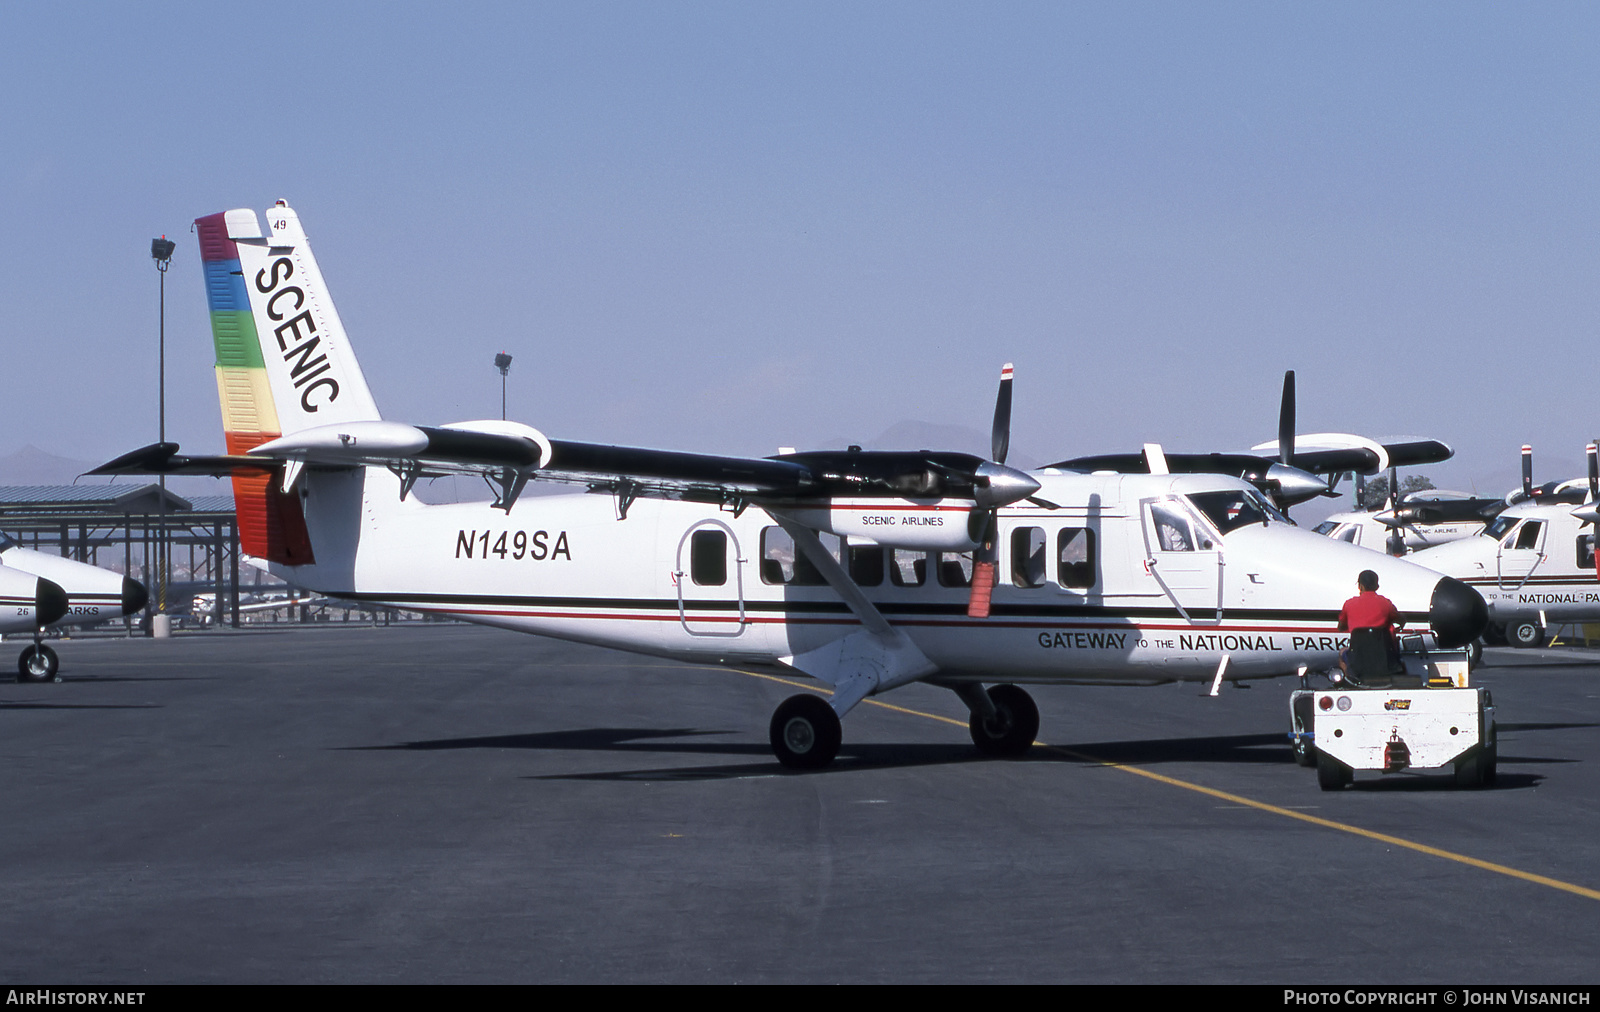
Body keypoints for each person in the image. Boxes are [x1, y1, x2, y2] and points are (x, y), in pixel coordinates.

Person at [1337, 569, 1403, 679]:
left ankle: (1349, 681)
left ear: (1360, 586)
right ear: (1377, 586)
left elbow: (1341, 627)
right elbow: (1400, 619)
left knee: (1342, 652)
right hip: (1384, 657)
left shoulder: (1349, 604)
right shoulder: (1385, 603)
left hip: (1359, 657)